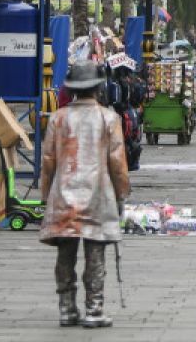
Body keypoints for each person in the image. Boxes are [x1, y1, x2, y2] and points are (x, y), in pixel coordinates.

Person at [40, 61, 131, 328]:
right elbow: (118, 163)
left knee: (65, 256)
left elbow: (48, 161)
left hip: (63, 196)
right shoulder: (109, 118)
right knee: (96, 256)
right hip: (97, 197)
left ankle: (67, 308)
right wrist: (121, 194)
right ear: (98, 87)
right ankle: (94, 309)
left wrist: (47, 196)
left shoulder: (58, 118)